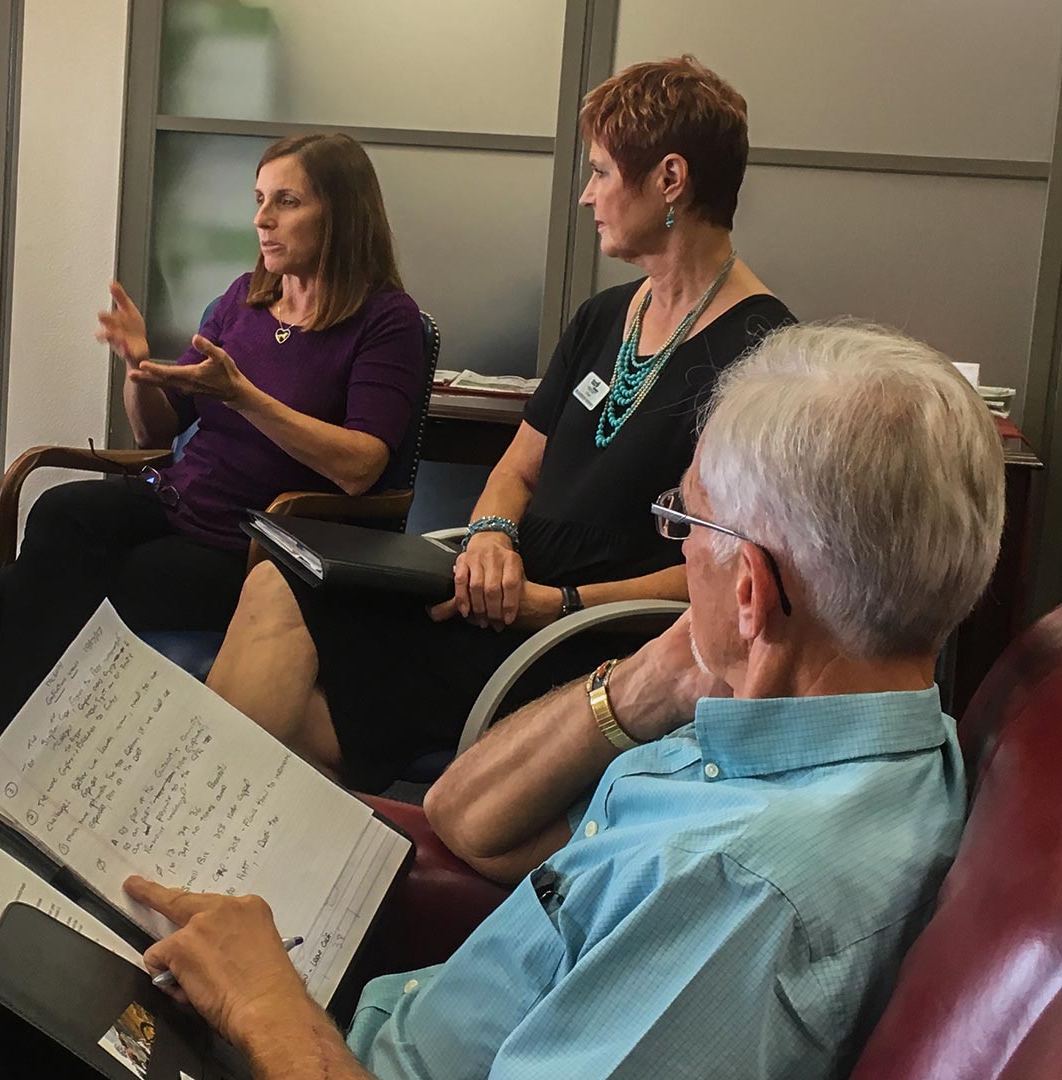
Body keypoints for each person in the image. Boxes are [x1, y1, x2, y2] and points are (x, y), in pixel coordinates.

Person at [0, 320, 1004, 1079]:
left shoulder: (764, 895)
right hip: (372, 1013)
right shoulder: (826, 727)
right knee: (24, 825)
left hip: (331, 1053)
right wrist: (654, 672)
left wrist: (275, 1009)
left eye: (688, 526)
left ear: (764, 587)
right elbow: (456, 818)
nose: (673, 548)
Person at [208, 55, 795, 790]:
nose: (586, 196)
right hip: (502, 596)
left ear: (670, 180)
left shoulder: (762, 354)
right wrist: (490, 536)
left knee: (287, 716)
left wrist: (558, 604)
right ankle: (228, 836)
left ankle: (203, 838)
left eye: (603, 172)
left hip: (594, 635)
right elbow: (517, 470)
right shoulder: (605, 317)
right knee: (279, 584)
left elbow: (736, 574)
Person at [0, 131, 429, 731]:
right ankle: (37, 751)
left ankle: (16, 754)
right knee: (61, 510)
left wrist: (246, 398)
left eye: (286, 202)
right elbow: (156, 432)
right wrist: (139, 368)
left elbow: (361, 466)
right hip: (175, 501)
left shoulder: (386, 320)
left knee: (18, 592)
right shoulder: (243, 299)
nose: (261, 219)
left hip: (255, 540)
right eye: (259, 199)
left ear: (342, 212)